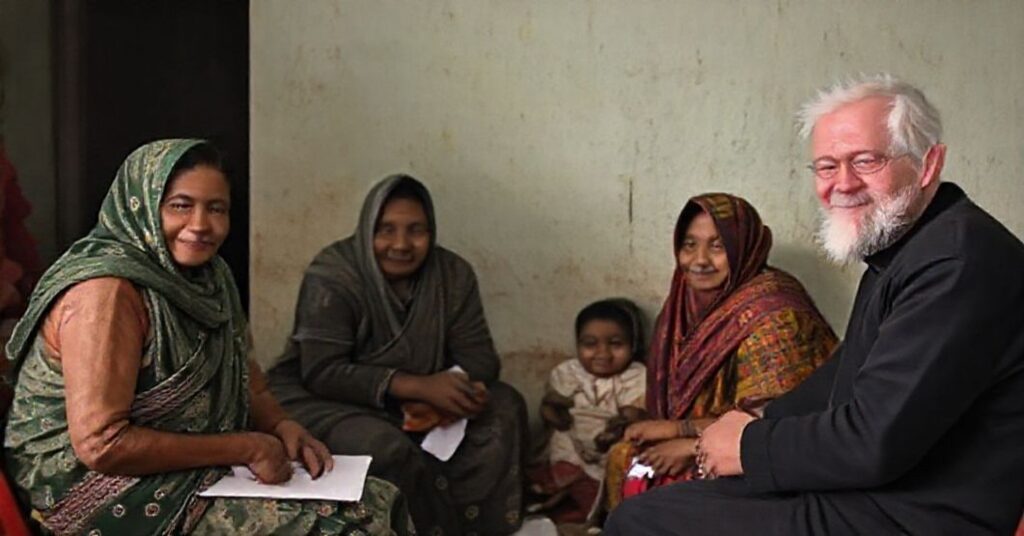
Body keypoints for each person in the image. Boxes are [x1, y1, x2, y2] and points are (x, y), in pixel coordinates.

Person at [605, 75, 1024, 535]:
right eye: (826, 167)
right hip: (880, 494)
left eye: (865, 160)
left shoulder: (956, 262)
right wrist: (753, 419)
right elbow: (843, 376)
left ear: (928, 164)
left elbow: (872, 443)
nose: (843, 184)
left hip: (919, 515)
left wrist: (748, 446)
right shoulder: (908, 250)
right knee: (668, 504)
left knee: (646, 521)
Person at [2, 139, 411, 535]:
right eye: (180, 206)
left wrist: (283, 426)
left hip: (183, 467)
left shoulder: (211, 279)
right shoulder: (107, 293)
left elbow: (245, 379)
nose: (200, 226)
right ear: (140, 206)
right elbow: (102, 445)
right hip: (85, 486)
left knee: (380, 501)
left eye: (216, 209)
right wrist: (246, 447)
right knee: (337, 530)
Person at [268, 174, 528, 536]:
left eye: (416, 230)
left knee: (505, 407)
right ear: (365, 229)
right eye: (385, 230)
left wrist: (455, 393)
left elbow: (482, 359)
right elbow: (322, 371)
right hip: (328, 400)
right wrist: (414, 387)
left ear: (432, 231)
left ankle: (478, 529)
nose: (401, 244)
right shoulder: (333, 274)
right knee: (384, 448)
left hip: (425, 398)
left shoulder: (452, 275)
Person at [604, 193, 837, 509]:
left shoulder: (775, 315)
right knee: (624, 454)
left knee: (648, 480)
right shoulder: (684, 303)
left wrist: (687, 440)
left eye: (717, 246)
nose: (699, 260)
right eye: (689, 245)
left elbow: (780, 421)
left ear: (744, 247)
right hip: (711, 437)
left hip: (761, 457)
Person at [528, 298, 647, 526]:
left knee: (601, 486)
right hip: (571, 441)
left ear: (632, 346)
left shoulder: (636, 375)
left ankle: (587, 514)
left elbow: (633, 414)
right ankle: (558, 497)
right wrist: (553, 413)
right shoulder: (569, 371)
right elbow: (551, 405)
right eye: (590, 344)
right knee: (559, 467)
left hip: (608, 445)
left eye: (615, 344)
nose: (602, 353)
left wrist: (618, 427)